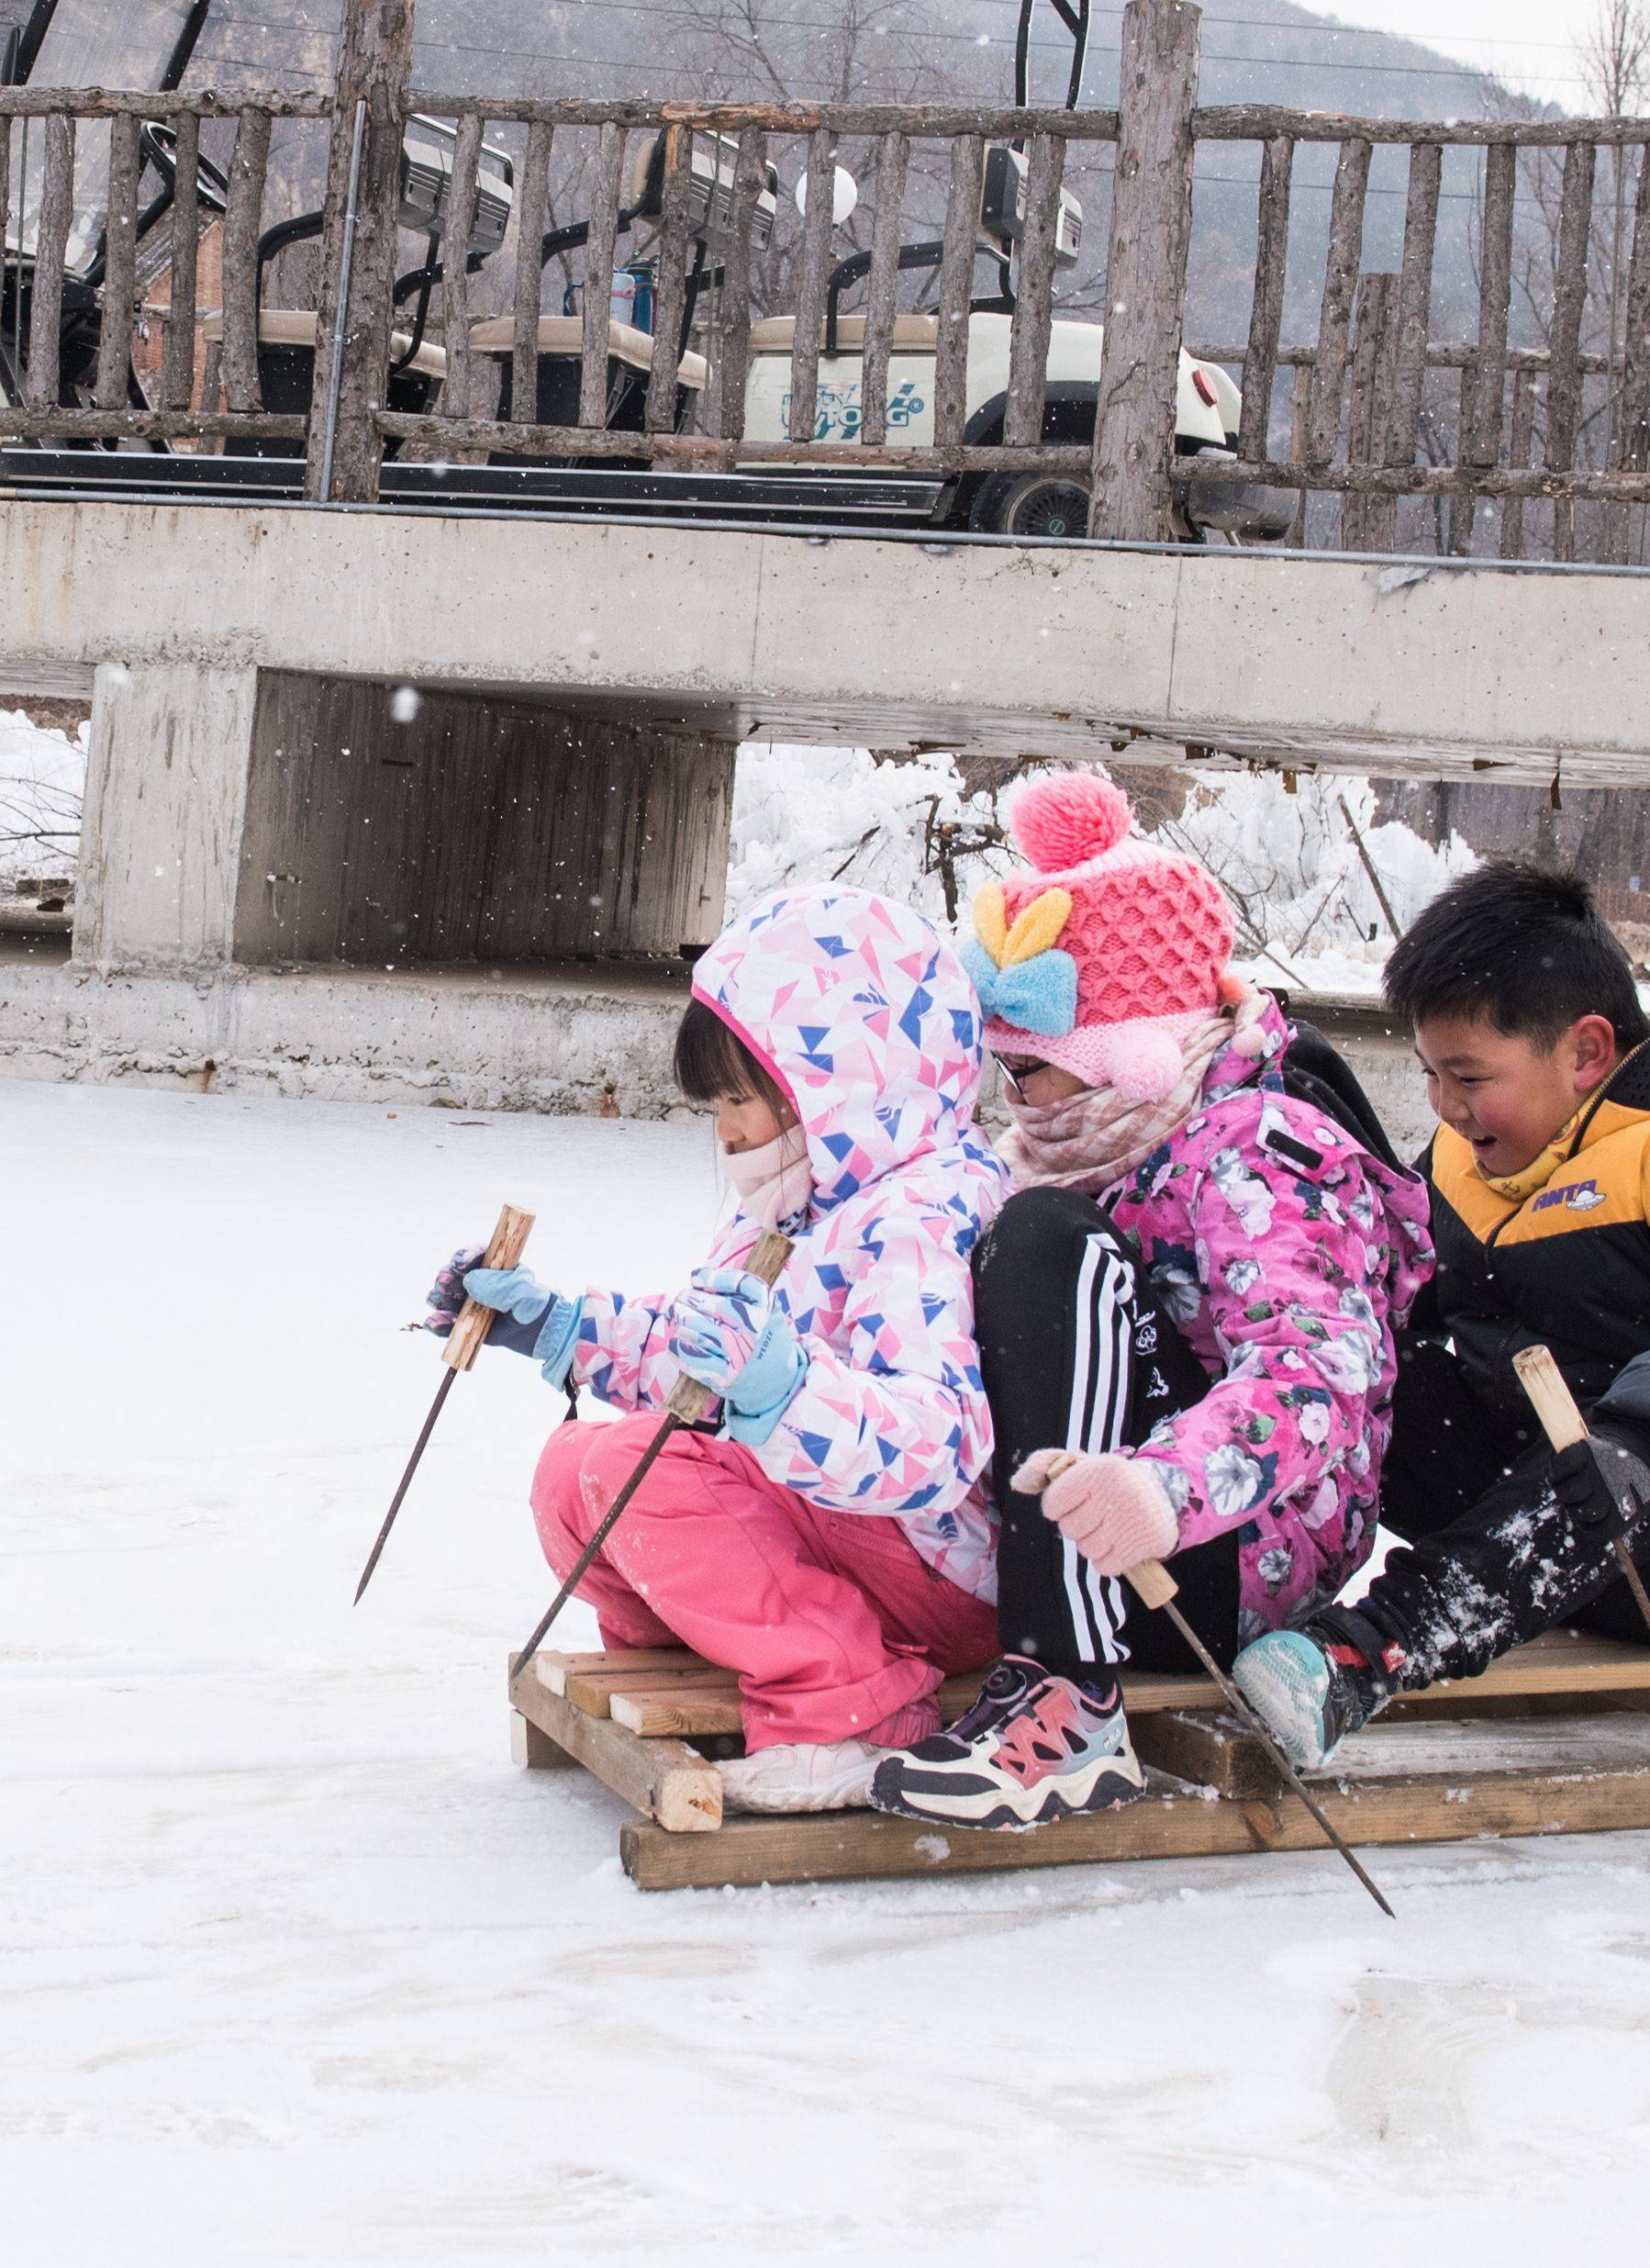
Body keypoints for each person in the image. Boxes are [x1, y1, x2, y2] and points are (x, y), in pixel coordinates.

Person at [864, 769, 1435, 1832]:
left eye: (1031, 1068)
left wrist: (1166, 1488)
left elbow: (1319, 1373)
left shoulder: (1263, 1151)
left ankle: (1068, 1698)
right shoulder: (1070, 1142)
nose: (1012, 1097)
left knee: (1043, 1245)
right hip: (1090, 1517)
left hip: (1223, 1548)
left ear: (1126, 1053)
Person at [1232, 859, 1650, 1771]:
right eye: (1430, 1075)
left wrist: (1645, 1449)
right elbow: (1375, 1302)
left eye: (1469, 1076)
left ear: (1586, 1052)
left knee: (1602, 1455)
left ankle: (1372, 1650)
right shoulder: (1463, 1164)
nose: (1445, 1106)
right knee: (1358, 1371)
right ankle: (1241, 1583)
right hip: (1551, 1509)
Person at [429, 882, 1003, 1815]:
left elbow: (936, 1449)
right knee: (573, 1470)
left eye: (739, 1097)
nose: (724, 1127)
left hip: (939, 1564)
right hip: (847, 1534)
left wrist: (787, 1394)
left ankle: (851, 1709)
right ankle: (715, 1654)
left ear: (840, 1086)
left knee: (638, 1469)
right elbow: (702, 1360)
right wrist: (563, 1328)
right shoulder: (791, 1195)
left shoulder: (919, 1216)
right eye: (714, 1101)